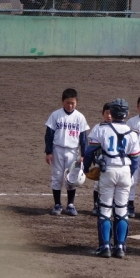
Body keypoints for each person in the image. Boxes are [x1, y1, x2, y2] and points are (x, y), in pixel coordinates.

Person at [83, 99, 140, 259]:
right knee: (122, 210)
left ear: (112, 112)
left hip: (108, 171)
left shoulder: (101, 129)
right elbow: (135, 160)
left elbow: (89, 152)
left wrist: (86, 169)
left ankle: (105, 247)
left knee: (105, 210)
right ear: (127, 114)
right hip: (125, 171)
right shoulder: (132, 133)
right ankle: (120, 247)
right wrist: (129, 174)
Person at [44, 88, 89, 217]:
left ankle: (70, 204)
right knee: (57, 176)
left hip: (73, 151)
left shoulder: (79, 117)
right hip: (57, 150)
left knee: (72, 178)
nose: (70, 106)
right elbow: (49, 135)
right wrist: (48, 152)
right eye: (67, 103)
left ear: (77, 102)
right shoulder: (56, 115)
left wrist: (84, 154)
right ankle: (57, 204)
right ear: (62, 101)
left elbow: (83, 138)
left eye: (72, 103)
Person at [90, 103, 113, 216]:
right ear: (103, 113)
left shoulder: (119, 128)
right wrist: (94, 158)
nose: (109, 116)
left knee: (112, 183)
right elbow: (92, 144)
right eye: (107, 113)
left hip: (113, 161)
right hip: (100, 159)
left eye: (111, 113)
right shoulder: (97, 127)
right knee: (97, 184)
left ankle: (111, 206)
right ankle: (96, 205)